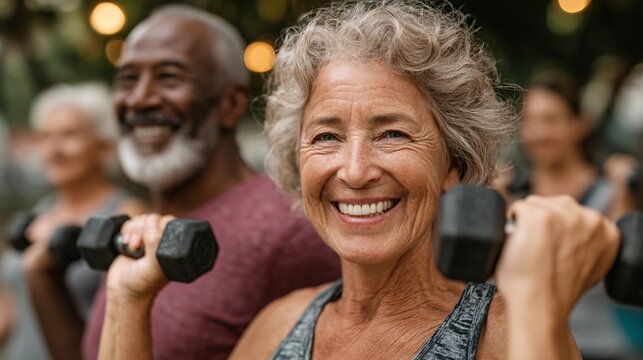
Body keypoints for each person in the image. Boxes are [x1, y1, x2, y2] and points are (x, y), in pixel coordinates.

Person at [97, 1, 624, 359]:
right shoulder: (277, 326)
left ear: (452, 165)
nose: (354, 170)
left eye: (392, 133)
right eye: (326, 137)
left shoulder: (510, 332)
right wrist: (127, 299)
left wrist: (537, 300)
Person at [24, 5, 340, 360]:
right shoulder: (142, 229)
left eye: (169, 78)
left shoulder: (287, 230)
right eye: (128, 79)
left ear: (231, 104)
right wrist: (43, 279)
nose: (140, 99)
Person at [0, 83, 146, 359]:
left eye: (69, 135)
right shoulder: (38, 214)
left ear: (103, 146)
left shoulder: (128, 215)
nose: (54, 149)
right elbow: (9, 310)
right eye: (44, 137)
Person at [504, 74, 643, 358]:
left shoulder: (610, 192)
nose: (538, 133)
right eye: (530, 121)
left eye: (551, 120)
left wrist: (623, 194)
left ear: (580, 124)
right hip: (526, 345)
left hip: (599, 346)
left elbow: (615, 271)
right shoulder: (513, 197)